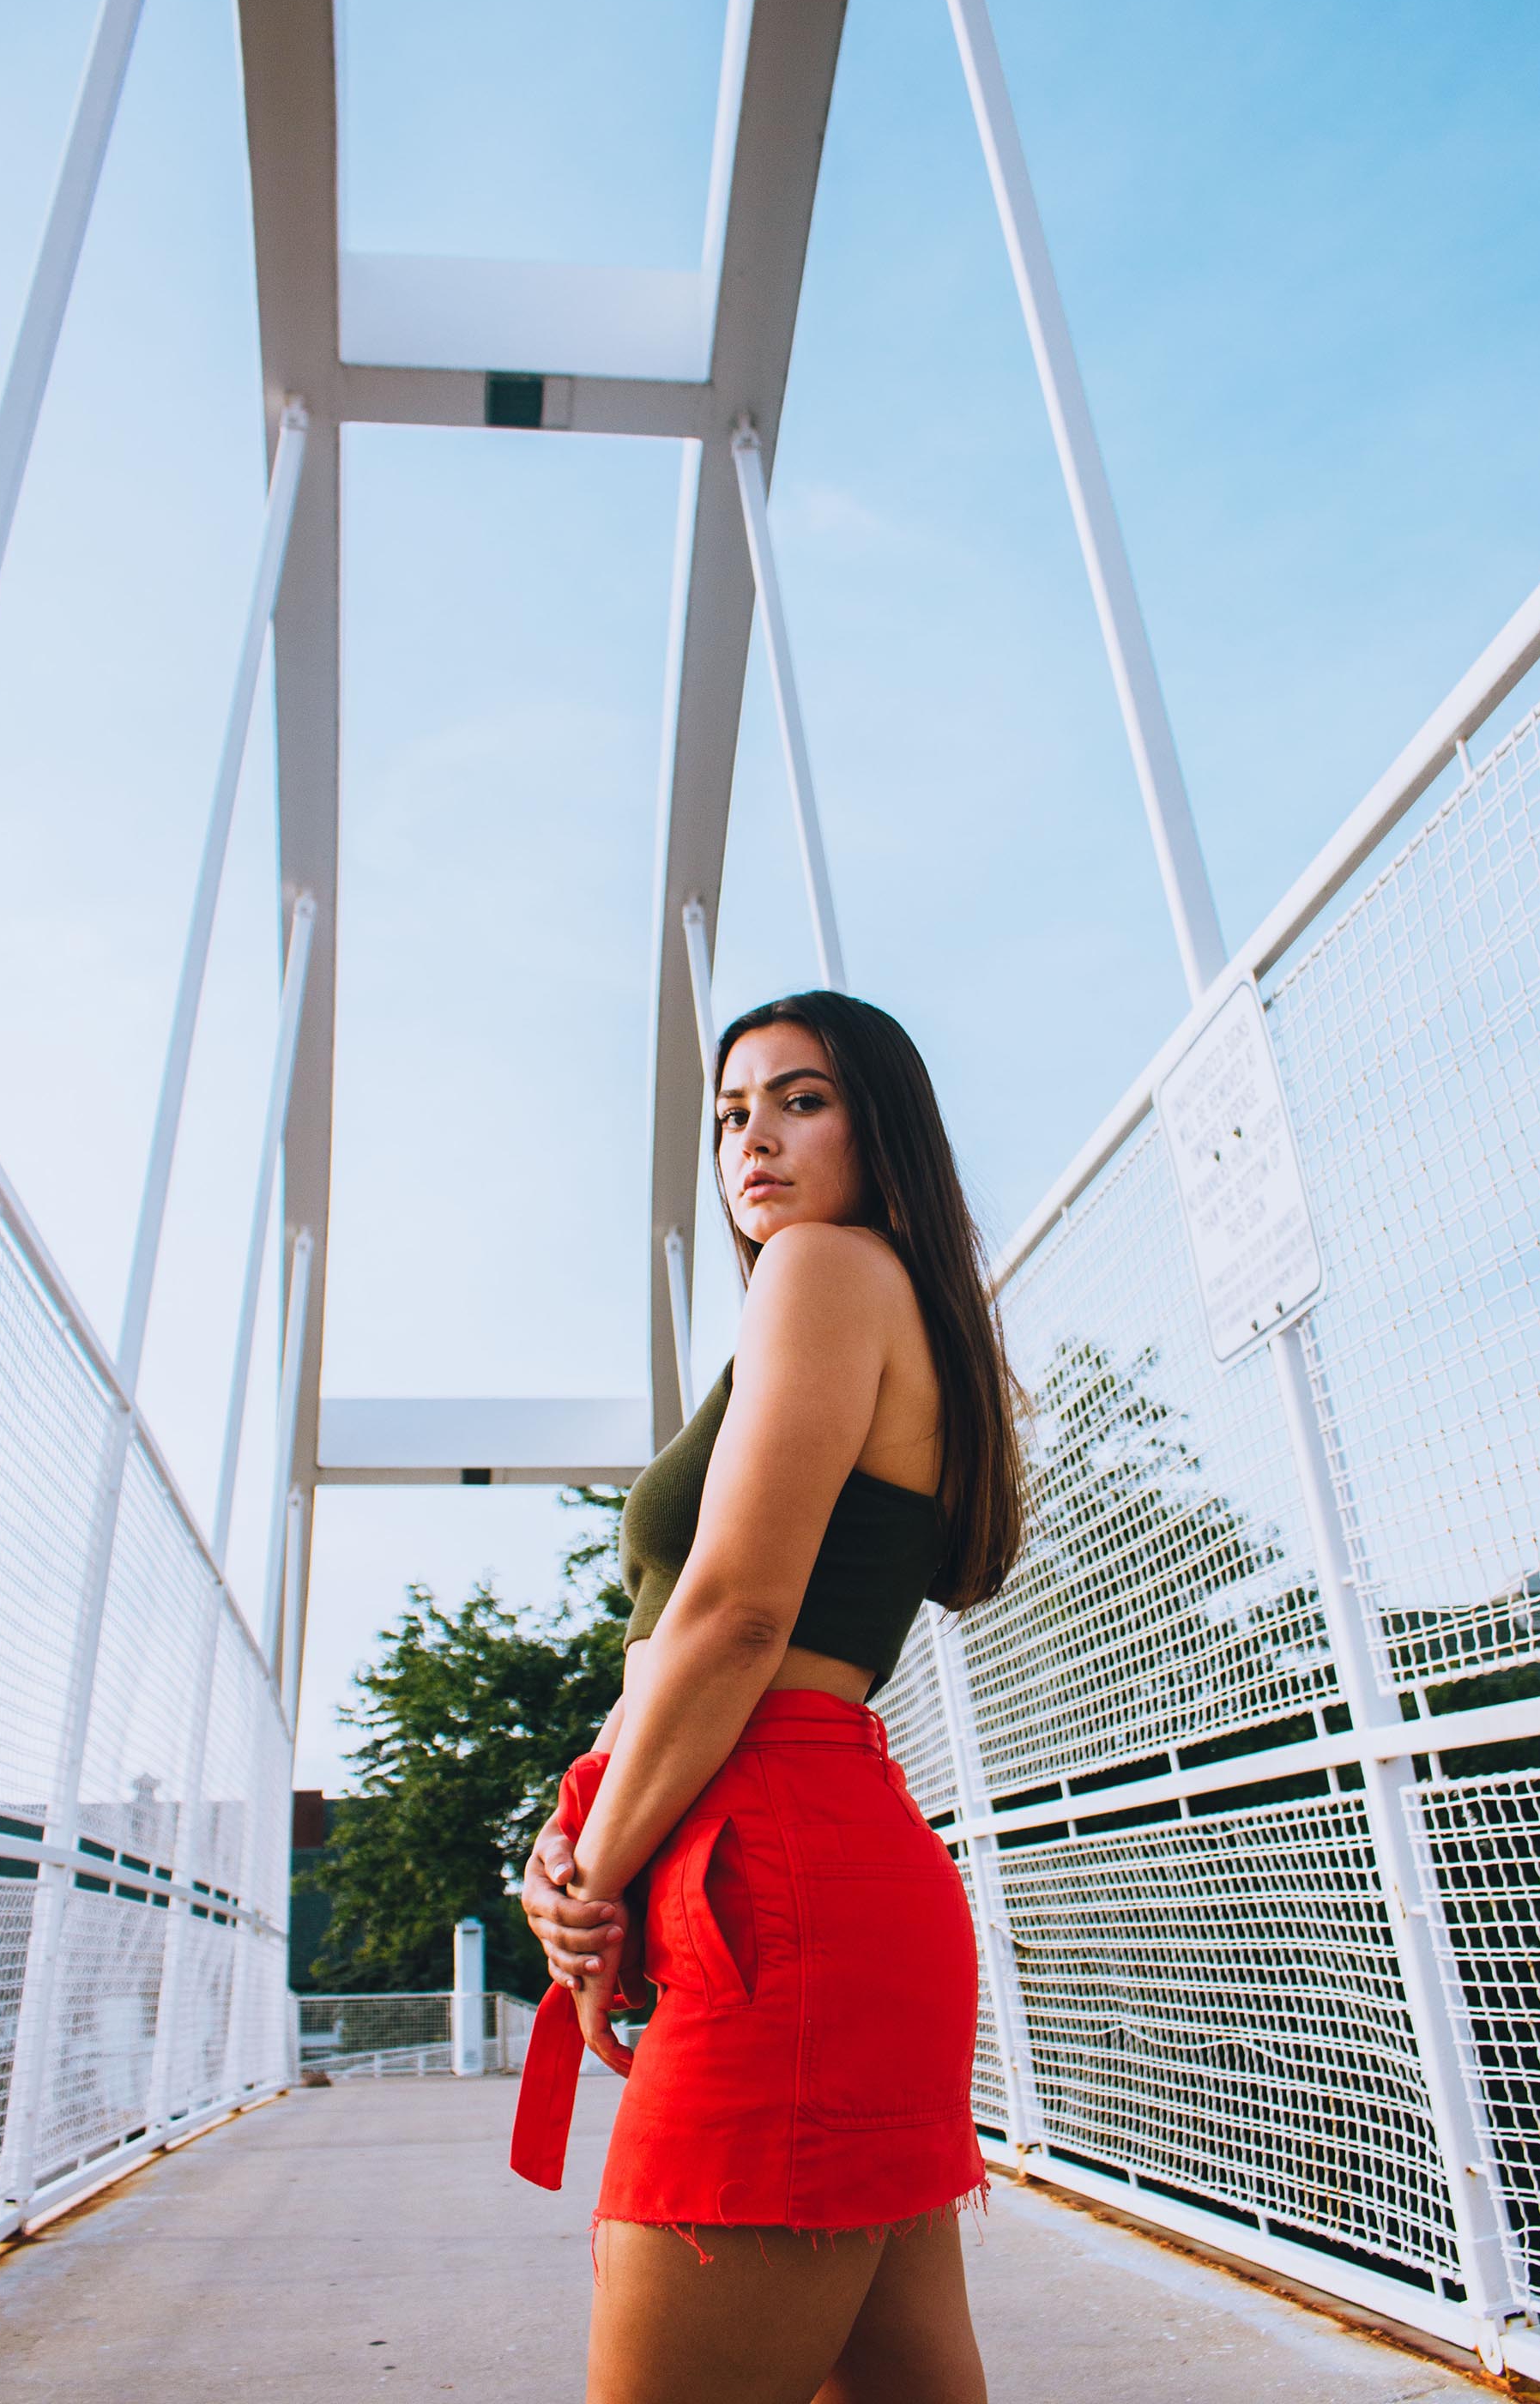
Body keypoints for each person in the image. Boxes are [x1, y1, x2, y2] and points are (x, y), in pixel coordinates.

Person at [517, 990, 1022, 2404]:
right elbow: (706, 1626)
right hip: (820, 1868)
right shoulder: (886, 1302)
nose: (755, 1140)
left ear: (885, 1127)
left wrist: (586, 1878)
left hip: (774, 1883)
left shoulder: (824, 1271)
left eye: (802, 1101)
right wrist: (588, 1850)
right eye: (734, 1114)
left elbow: (736, 1617)